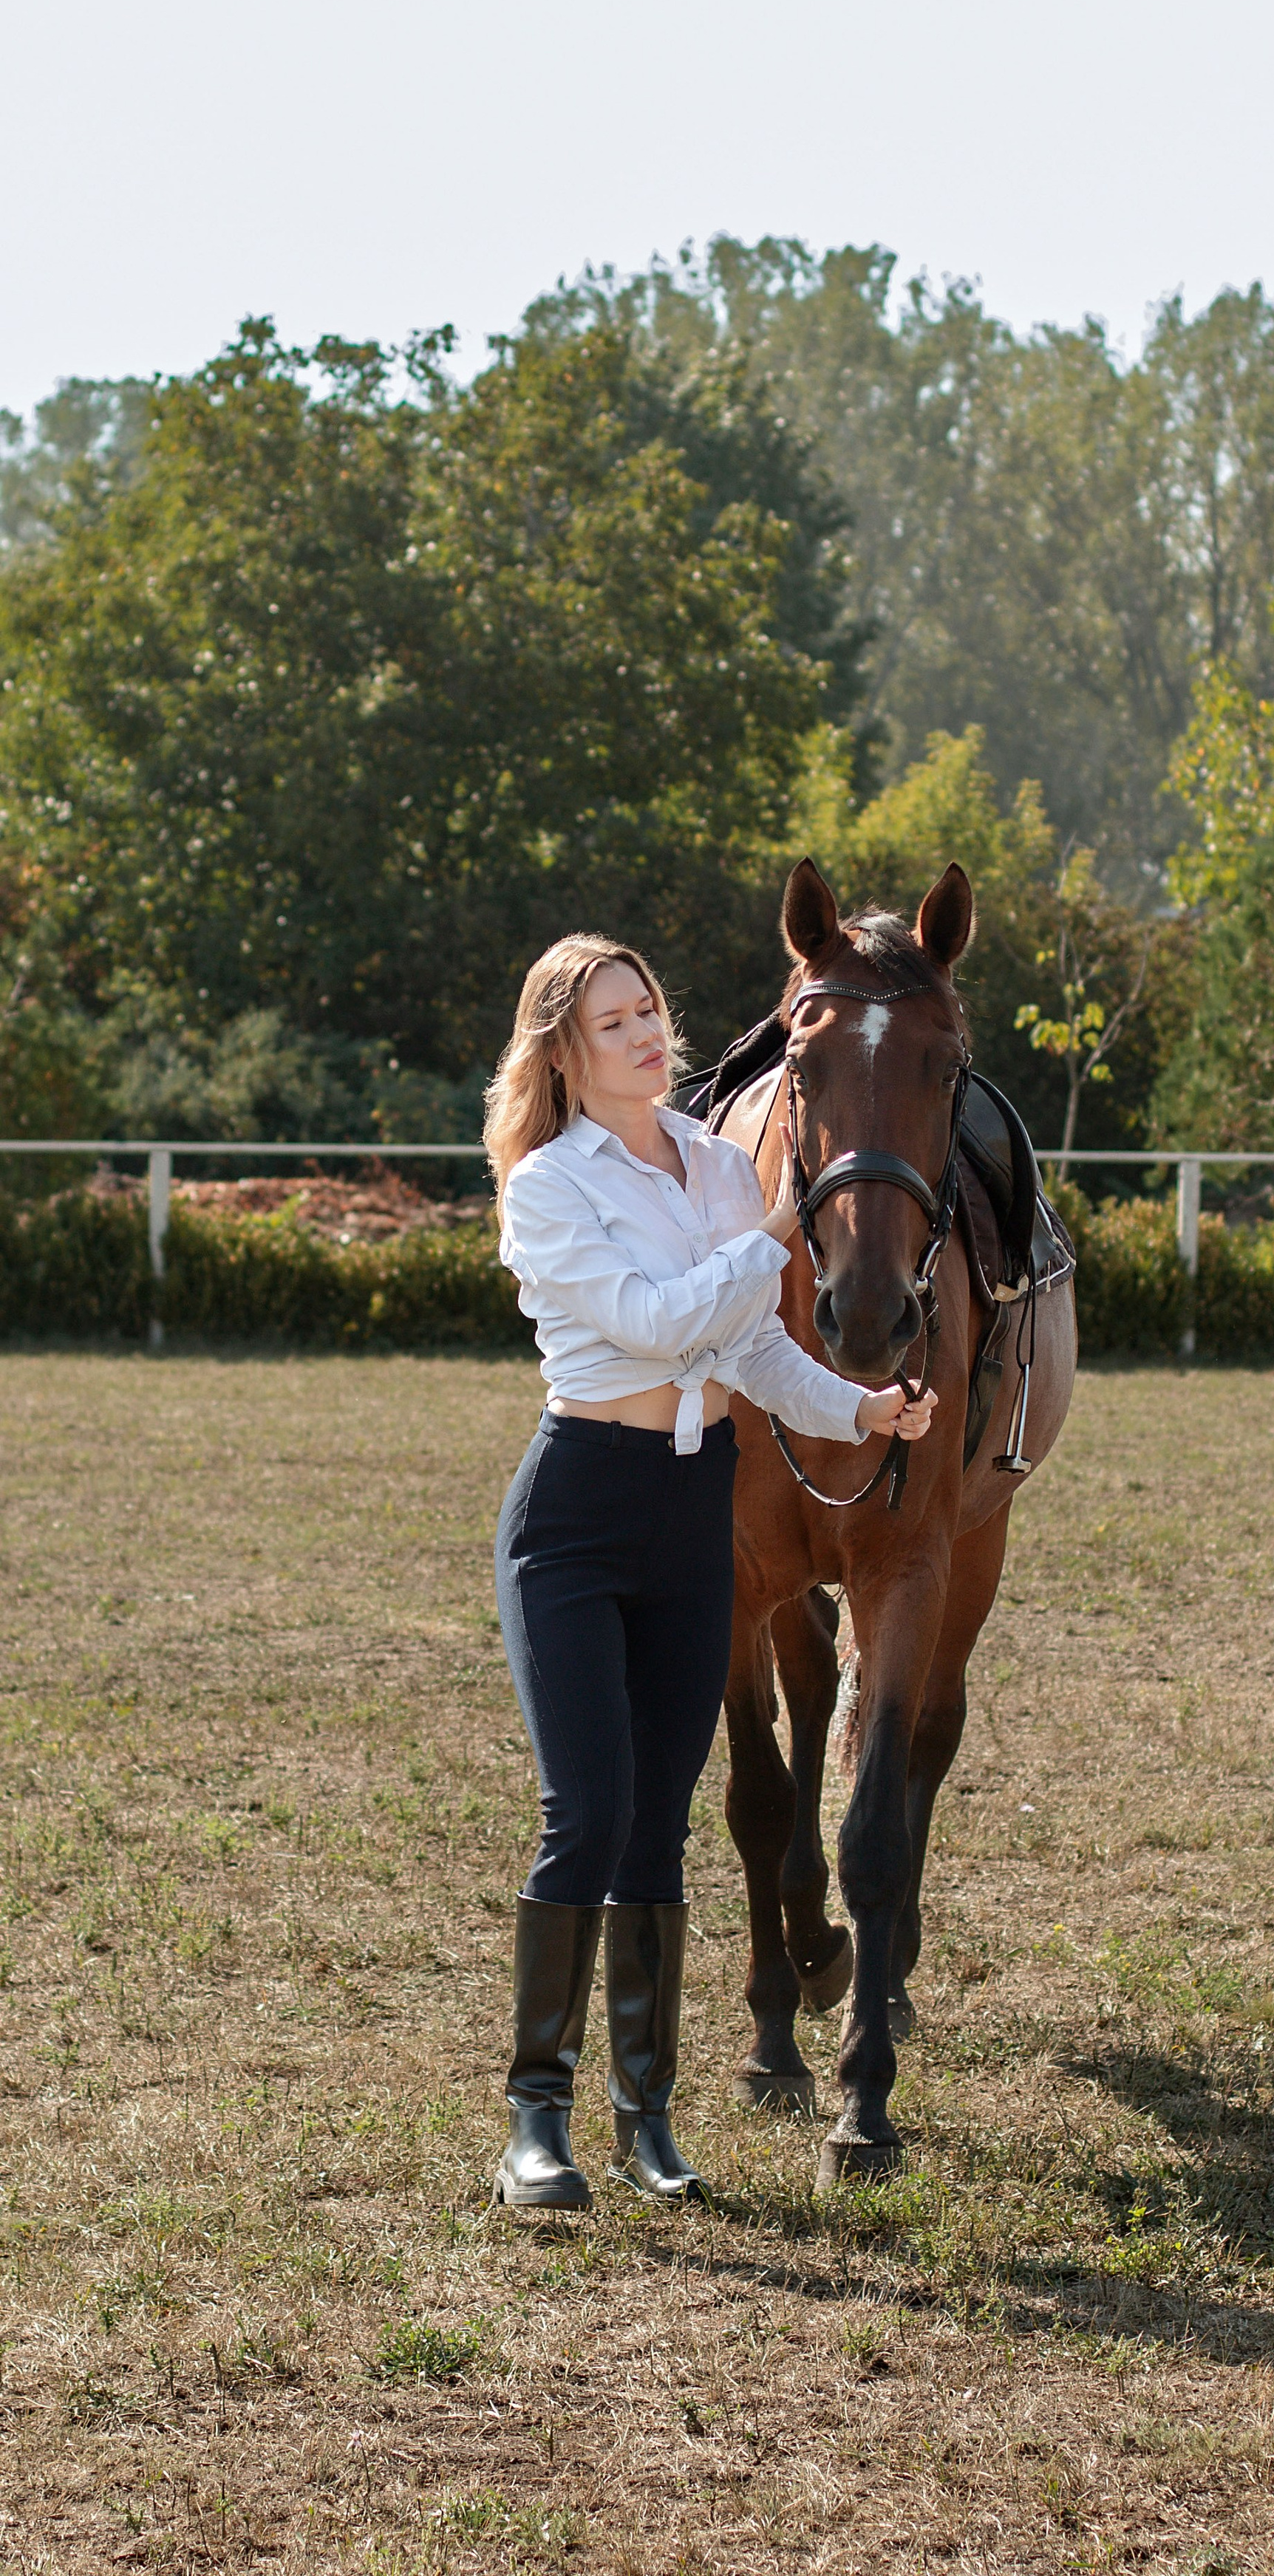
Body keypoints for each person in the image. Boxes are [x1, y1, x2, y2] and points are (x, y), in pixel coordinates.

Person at [482, 932, 935, 2212]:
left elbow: (751, 1355)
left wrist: (863, 1409)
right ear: (565, 1051)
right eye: (614, 1020)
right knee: (589, 1806)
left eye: (652, 1008)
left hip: (692, 1509)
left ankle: (646, 2117)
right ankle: (537, 2118)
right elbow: (661, 1319)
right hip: (574, 1511)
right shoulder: (550, 1186)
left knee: (664, 1820)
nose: (646, 1033)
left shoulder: (720, 1168)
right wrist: (782, 1226)